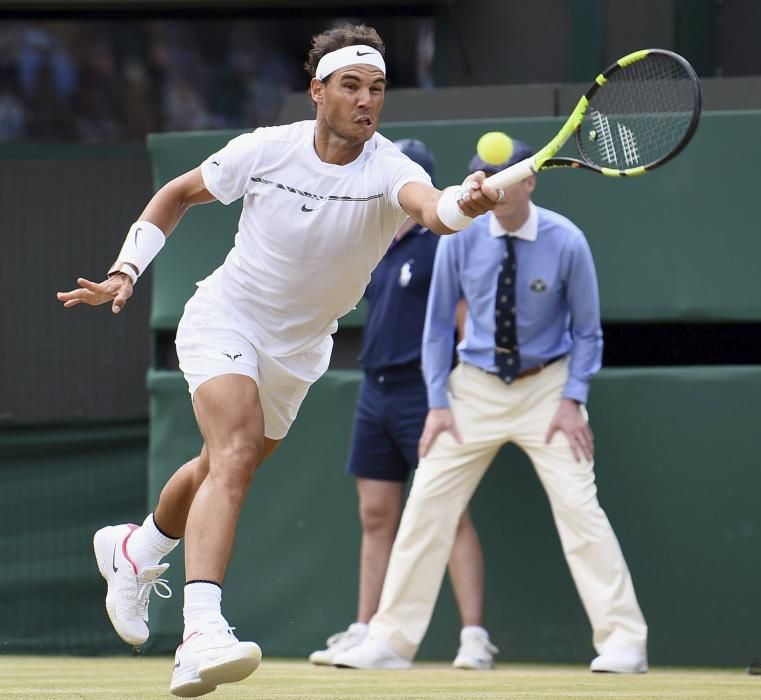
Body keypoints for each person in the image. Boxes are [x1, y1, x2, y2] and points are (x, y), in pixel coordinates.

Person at [55, 24, 501, 698]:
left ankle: (136, 550)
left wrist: (462, 203)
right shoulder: (267, 150)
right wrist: (126, 269)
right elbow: (177, 193)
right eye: (350, 86)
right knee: (231, 453)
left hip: (299, 352)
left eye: (376, 89)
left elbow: (432, 210)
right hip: (226, 318)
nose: (365, 101)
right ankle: (200, 631)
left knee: (216, 467)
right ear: (316, 91)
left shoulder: (390, 169)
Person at [334, 139, 649, 673]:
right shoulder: (459, 238)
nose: (490, 186)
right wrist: (438, 403)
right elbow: (437, 328)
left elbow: (589, 333)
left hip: (547, 390)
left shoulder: (566, 241)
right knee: (427, 505)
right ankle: (391, 640)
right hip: (473, 389)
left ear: (530, 182)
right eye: (480, 176)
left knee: (579, 508)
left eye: (503, 176)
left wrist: (573, 399)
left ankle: (624, 642)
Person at [308, 139, 496, 671]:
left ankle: (474, 638)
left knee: (448, 513)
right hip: (376, 390)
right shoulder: (375, 247)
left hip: (428, 392)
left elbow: (463, 320)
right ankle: (367, 628)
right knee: (375, 515)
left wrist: (458, 393)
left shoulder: (444, 243)